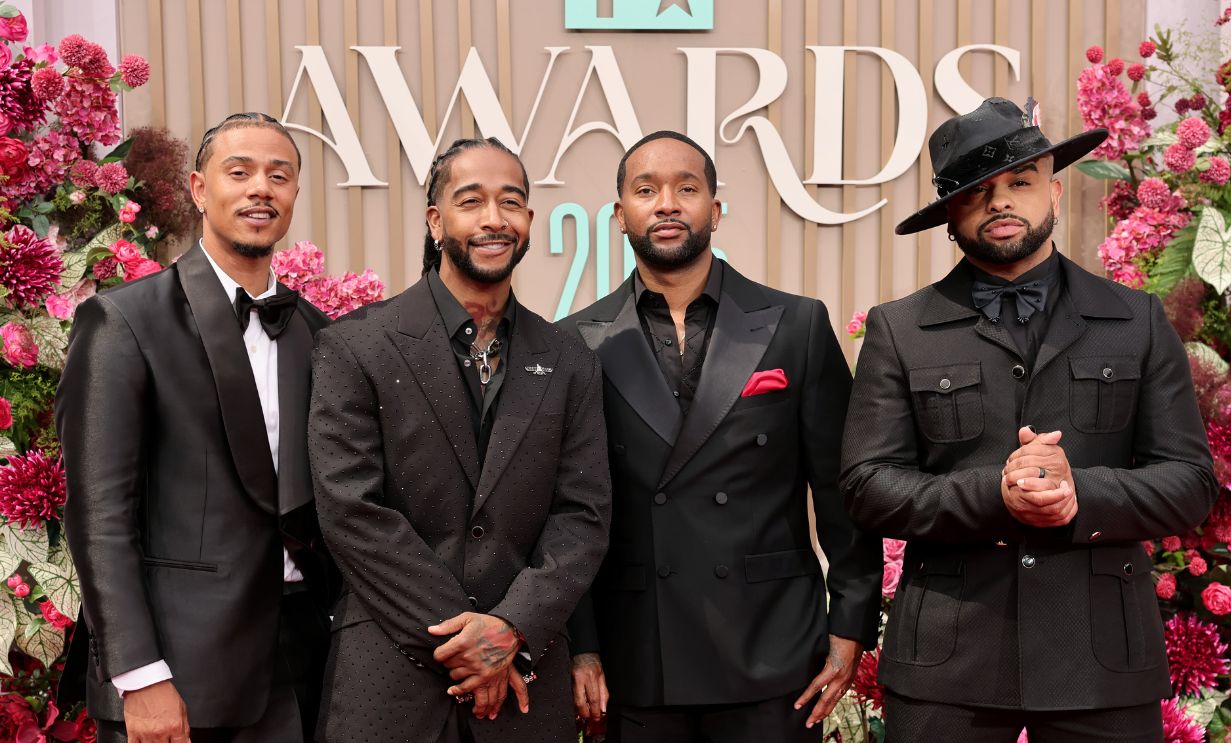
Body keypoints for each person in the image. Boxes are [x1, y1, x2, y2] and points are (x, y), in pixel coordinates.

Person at [840, 97, 1219, 741]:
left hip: (1103, 660)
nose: (1001, 202)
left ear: (1056, 192)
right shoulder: (901, 329)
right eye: (977, 192)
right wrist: (994, 494)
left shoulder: (1138, 320)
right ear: (950, 216)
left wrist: (1079, 495)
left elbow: (1189, 483)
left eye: (1020, 182)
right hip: (946, 666)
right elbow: (866, 486)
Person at [560, 130, 882, 743]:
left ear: (715, 208)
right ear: (619, 213)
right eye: (646, 190)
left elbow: (844, 493)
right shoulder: (575, 342)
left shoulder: (797, 324)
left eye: (687, 188)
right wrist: (583, 647)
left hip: (773, 645)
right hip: (641, 651)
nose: (667, 204)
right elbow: (569, 513)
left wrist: (850, 625)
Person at [308, 136, 611, 743]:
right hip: (389, 674)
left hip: (526, 683)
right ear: (436, 219)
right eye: (471, 201)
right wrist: (469, 641)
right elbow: (351, 510)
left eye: (511, 202)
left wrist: (511, 628)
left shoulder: (569, 357)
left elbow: (583, 515)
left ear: (528, 220)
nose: (493, 219)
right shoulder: (357, 345)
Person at [57, 112, 338, 742]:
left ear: (294, 195)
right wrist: (140, 675)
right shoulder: (123, 322)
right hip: (176, 674)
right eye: (238, 172)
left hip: (303, 669)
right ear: (198, 189)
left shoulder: (320, 335)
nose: (260, 188)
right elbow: (99, 514)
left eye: (279, 175)